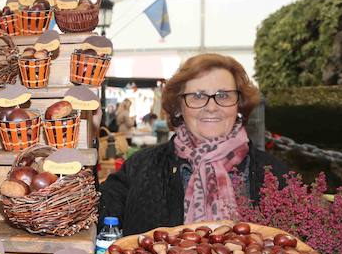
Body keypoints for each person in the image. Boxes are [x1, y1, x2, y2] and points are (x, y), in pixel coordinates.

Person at [99, 54, 287, 236]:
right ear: (179, 107)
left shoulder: (272, 173)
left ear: (239, 105)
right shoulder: (140, 167)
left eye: (223, 95)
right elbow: (93, 215)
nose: (212, 107)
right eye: (197, 96)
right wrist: (88, 133)